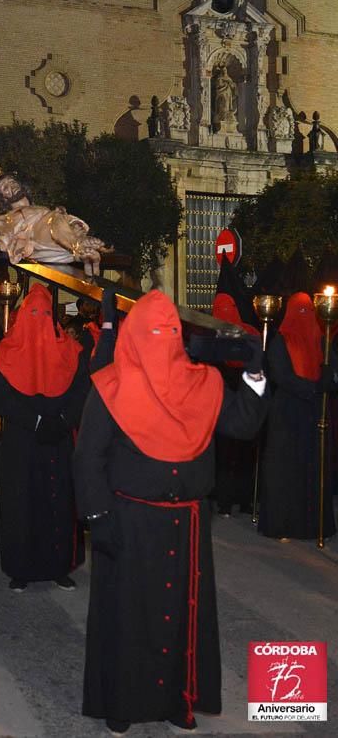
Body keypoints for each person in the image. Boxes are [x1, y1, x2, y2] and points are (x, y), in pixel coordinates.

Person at [73, 290, 268, 734]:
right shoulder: (111, 386)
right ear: (138, 337)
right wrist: (97, 518)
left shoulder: (203, 381)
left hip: (188, 524)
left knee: (182, 618)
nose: (162, 341)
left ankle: (177, 702)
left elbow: (242, 423)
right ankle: (121, 704)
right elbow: (88, 457)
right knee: (127, 618)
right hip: (129, 521)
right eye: (154, 333)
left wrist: (255, 369)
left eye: (170, 333)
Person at [0, 283, 89, 592]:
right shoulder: (3, 355)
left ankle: (59, 566)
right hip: (22, 442)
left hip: (57, 441)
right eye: (34, 313)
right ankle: (21, 569)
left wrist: (61, 421)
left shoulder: (72, 352)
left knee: (58, 504)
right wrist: (35, 421)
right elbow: (4, 400)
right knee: (23, 505)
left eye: (44, 313)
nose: (39, 318)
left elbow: (81, 392)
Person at [259, 292, 337, 541]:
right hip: (287, 414)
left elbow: (333, 374)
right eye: (299, 311)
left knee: (312, 467)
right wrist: (313, 387)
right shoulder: (280, 340)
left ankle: (314, 524)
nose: (304, 317)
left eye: (307, 311)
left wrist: (329, 377)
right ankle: (283, 524)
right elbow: (281, 376)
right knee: (286, 469)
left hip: (314, 412)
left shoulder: (321, 339)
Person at [211, 292, 261, 517]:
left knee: (235, 454)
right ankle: (234, 500)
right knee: (234, 453)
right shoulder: (213, 335)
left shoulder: (246, 333)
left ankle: (235, 500)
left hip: (231, 397)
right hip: (232, 398)